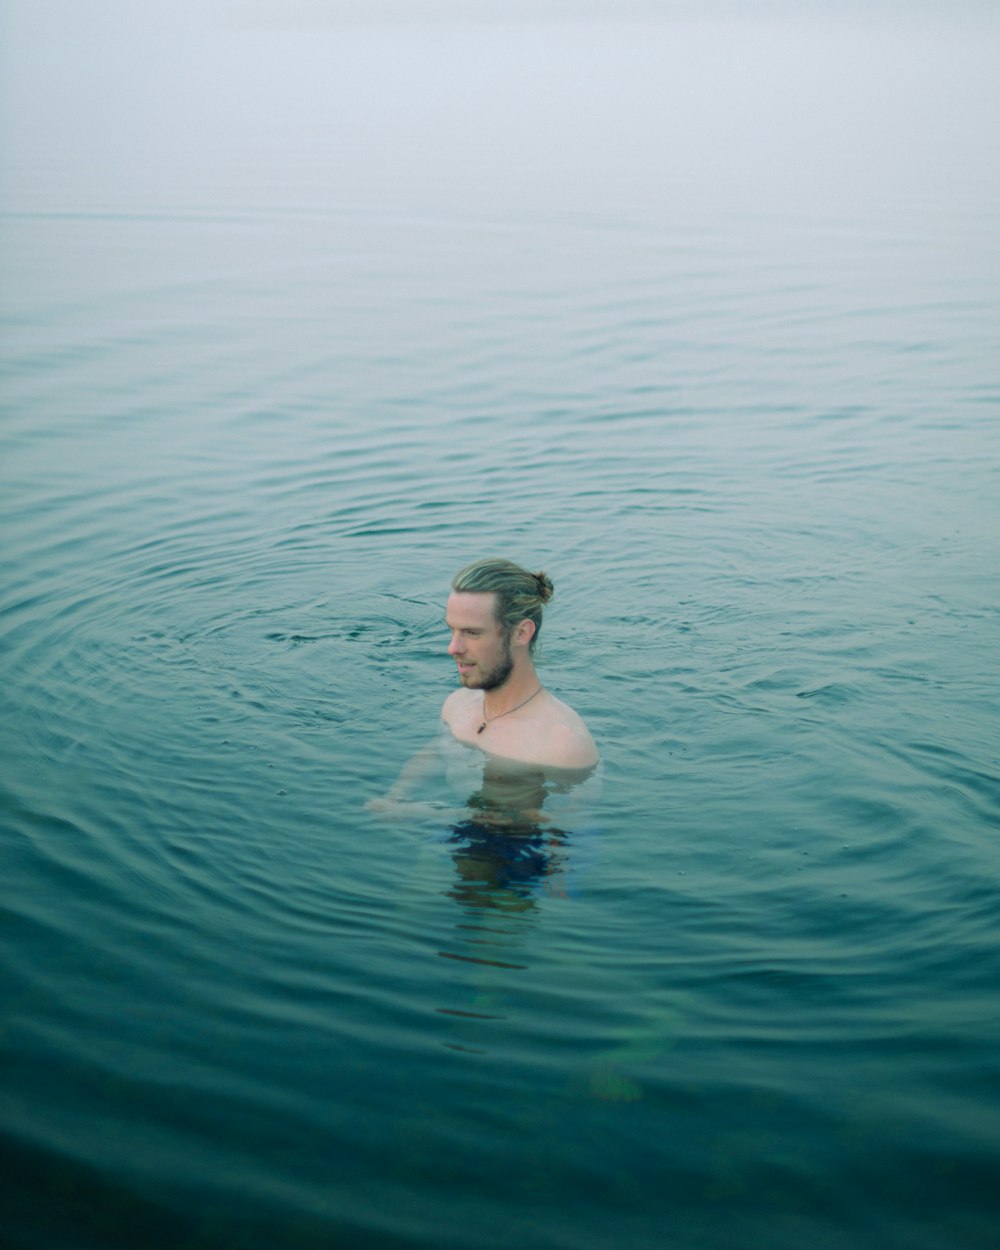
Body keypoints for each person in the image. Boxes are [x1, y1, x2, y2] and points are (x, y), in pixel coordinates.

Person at [442, 558, 599, 770]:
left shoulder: (561, 747)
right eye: (452, 630)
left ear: (521, 633)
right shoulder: (455, 707)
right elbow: (427, 760)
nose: (453, 648)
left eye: (472, 633)